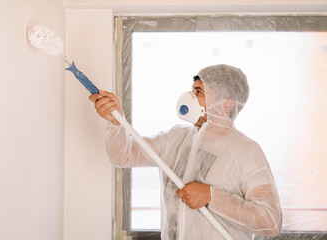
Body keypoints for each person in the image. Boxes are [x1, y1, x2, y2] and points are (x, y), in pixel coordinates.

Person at [89, 64, 282, 240]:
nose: (189, 97)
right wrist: (116, 121)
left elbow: (270, 222)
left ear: (226, 104)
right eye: (192, 90)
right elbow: (124, 155)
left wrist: (211, 196)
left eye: (199, 91)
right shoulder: (175, 138)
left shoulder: (246, 151)